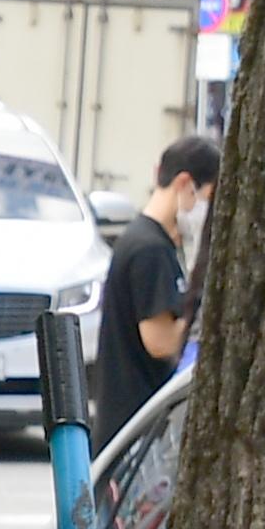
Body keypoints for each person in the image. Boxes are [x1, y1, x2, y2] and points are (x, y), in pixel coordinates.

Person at [93, 133, 216, 445]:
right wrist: (199, 315)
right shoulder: (150, 251)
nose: (206, 210)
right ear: (185, 184)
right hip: (134, 426)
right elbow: (160, 342)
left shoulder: (147, 241)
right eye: (207, 198)